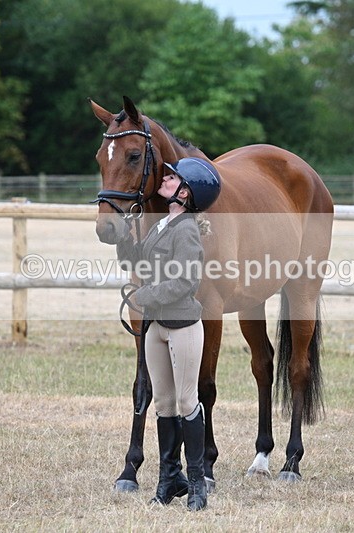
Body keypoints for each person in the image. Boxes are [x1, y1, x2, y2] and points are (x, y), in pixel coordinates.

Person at [116, 157, 221, 510]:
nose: (166, 178)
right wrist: (124, 234)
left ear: (185, 192)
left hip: (182, 327)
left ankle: (196, 485)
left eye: (173, 177)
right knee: (163, 404)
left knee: (187, 401)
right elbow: (138, 261)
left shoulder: (188, 229)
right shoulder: (162, 224)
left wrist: (143, 296)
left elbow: (186, 282)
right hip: (156, 327)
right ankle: (168, 479)